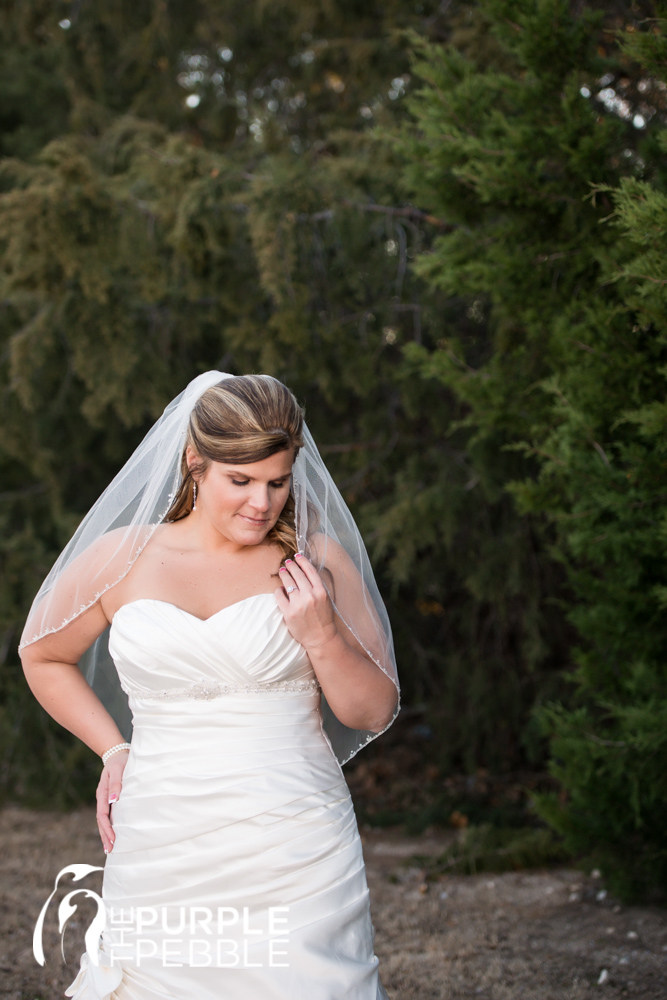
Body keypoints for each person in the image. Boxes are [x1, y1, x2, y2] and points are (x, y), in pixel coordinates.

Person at [19, 372, 400, 1000]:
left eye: (278, 482)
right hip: (161, 833)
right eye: (241, 481)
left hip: (294, 837)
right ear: (196, 462)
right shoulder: (125, 557)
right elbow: (42, 656)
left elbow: (374, 709)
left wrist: (321, 634)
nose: (262, 503)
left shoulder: (316, 559)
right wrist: (114, 750)